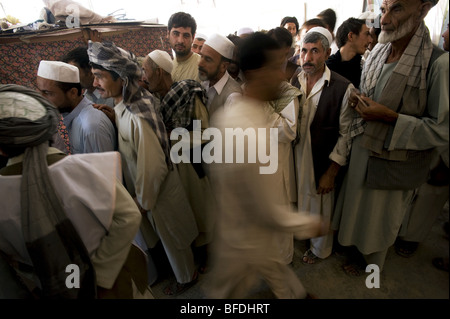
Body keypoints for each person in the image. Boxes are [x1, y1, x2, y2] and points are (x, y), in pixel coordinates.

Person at [205, 32, 328, 299]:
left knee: (278, 273)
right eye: (275, 67)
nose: (283, 75)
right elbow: (265, 210)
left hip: (252, 232)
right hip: (241, 241)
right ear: (255, 72)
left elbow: (288, 131)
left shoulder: (247, 111)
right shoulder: (243, 125)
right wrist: (309, 225)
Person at [0, 84, 151, 299]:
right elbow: (128, 216)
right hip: (113, 284)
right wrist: (99, 276)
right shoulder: (80, 168)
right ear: (48, 127)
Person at [331, 0, 449, 276]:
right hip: (363, 148)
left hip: (394, 158)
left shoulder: (437, 63)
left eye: (397, 9)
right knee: (358, 209)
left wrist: (392, 118)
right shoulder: (377, 52)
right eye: (384, 10)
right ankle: (355, 249)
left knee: (380, 219)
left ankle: (371, 265)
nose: (384, 20)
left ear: (422, 10)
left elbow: (441, 130)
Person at [87, 41, 199, 296]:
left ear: (121, 79)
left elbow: (154, 165)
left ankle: (187, 279)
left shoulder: (137, 114)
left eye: (100, 77)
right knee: (169, 240)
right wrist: (116, 117)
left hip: (157, 193)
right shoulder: (128, 104)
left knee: (175, 243)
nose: (95, 84)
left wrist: (142, 200)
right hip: (151, 193)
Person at [143, 49, 216, 274]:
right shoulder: (155, 99)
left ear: (158, 72)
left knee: (202, 212)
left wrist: (171, 135)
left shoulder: (187, 92)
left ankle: (211, 256)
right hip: (175, 166)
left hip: (193, 165)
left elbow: (204, 133)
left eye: (146, 71)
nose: (144, 77)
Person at [294, 27, 354, 264]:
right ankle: (305, 236)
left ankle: (320, 250)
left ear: (328, 52)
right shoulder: (295, 80)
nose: (307, 58)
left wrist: (332, 171)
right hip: (296, 155)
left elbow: (346, 135)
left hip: (321, 159)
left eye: (315, 51)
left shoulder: (342, 87)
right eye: (304, 51)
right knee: (300, 200)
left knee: (320, 204)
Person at [394, 22, 449, 261]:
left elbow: (443, 122)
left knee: (430, 195)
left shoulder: (444, 64)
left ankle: (411, 238)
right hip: (429, 141)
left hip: (442, 147)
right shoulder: (439, 60)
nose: (444, 34)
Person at [36, 60, 117, 154]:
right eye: (39, 91)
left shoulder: (91, 127)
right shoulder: (75, 117)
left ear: (73, 93)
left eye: (47, 93)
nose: (41, 98)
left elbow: (102, 168)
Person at [198, 33, 242, 118]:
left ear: (223, 66)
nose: (200, 63)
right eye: (201, 56)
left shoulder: (233, 97)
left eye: (208, 59)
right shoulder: (204, 82)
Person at [326, 18, 373, 88]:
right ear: (351, 36)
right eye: (366, 34)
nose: (370, 40)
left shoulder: (364, 69)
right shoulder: (326, 68)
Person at [168, 12, 201, 82]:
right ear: (168, 34)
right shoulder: (168, 67)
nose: (180, 41)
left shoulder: (202, 67)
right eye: (176, 34)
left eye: (186, 35)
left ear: (193, 37)